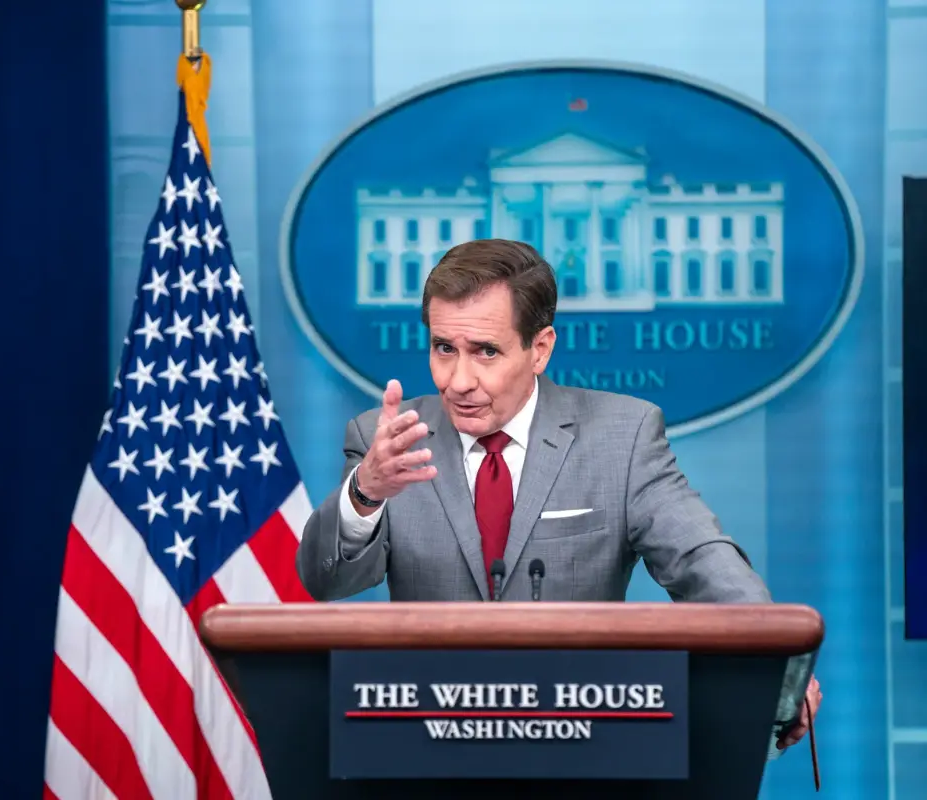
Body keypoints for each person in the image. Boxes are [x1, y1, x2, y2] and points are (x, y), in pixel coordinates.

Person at [296, 238, 820, 749]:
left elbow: (701, 560)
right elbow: (325, 580)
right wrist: (365, 492)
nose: (458, 380)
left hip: (581, 747)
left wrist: (774, 660)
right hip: (425, 749)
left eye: (485, 352)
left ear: (539, 348)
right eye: (443, 349)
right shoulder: (386, 441)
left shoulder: (623, 435)